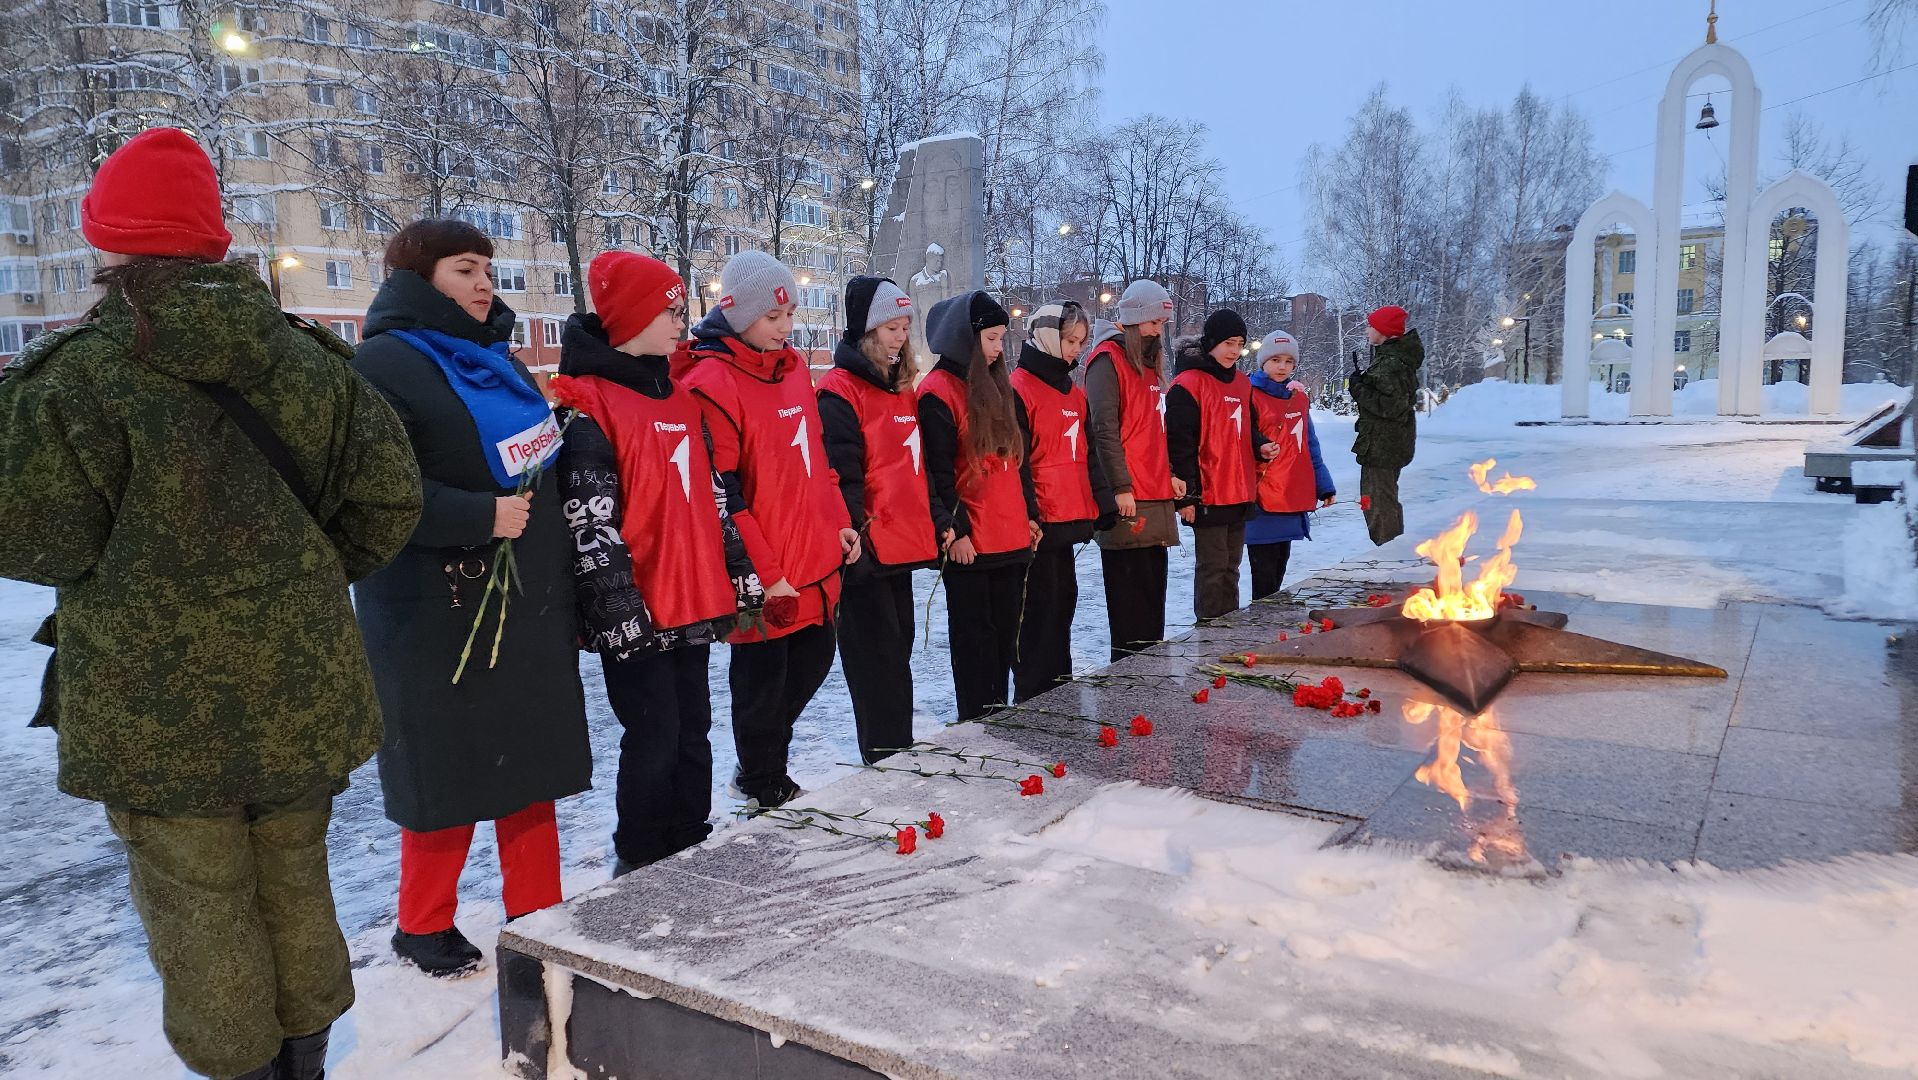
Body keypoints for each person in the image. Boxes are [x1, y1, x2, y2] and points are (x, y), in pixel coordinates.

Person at [0, 128, 421, 1080]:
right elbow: (390, 499)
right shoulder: (312, 361)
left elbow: (33, 537)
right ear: (212, 238)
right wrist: (297, 582)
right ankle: (306, 1058)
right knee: (295, 871)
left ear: (108, 242)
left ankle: (239, 1068)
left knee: (197, 902)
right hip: (299, 684)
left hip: (152, 708)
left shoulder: (75, 377)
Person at [352, 219, 591, 977]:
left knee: (531, 764)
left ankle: (539, 913)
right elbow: (370, 492)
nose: (486, 283)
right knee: (446, 770)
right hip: (434, 606)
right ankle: (422, 923)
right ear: (418, 279)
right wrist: (475, 516)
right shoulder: (381, 365)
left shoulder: (499, 359)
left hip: (525, 597)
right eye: (465, 269)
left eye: (488, 267)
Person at [551, 251, 764, 876]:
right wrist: (618, 612)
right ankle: (641, 854)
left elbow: (713, 498)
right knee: (653, 734)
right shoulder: (588, 404)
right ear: (630, 318)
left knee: (694, 729)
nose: (681, 323)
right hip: (637, 606)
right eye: (669, 312)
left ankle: (690, 835)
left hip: (692, 595)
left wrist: (738, 570)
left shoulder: (681, 399)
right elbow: (589, 522)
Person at [674, 251, 859, 809]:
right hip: (763, 566)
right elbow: (724, 494)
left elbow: (817, 458)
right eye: (773, 317)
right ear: (738, 315)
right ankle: (762, 779)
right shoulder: (711, 382)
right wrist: (763, 571)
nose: (786, 327)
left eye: (791, 314)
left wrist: (840, 522)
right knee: (763, 682)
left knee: (813, 661)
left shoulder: (794, 368)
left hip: (814, 550)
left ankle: (763, 763)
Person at [817, 276, 939, 762]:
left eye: (906, 327)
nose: (901, 337)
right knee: (875, 658)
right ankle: (884, 753)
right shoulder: (838, 392)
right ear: (867, 330)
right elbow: (842, 474)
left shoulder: (901, 388)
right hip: (865, 549)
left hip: (900, 543)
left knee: (898, 650)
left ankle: (897, 747)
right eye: (892, 328)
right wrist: (856, 543)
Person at [918, 290, 1041, 722]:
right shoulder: (937, 393)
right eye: (990, 339)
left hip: (1010, 536)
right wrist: (956, 530)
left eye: (1000, 339)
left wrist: (1029, 514)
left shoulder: (998, 387)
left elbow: (1017, 462)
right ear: (965, 339)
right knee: (975, 642)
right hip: (973, 543)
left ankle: (999, 717)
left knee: (1006, 637)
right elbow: (936, 472)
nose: (998, 349)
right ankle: (976, 722)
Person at [1009, 301, 1116, 700]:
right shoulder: (1019, 387)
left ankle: (1059, 687)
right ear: (1047, 337)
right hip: (1040, 521)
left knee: (1062, 604)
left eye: (1081, 342)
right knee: (1036, 613)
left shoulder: (1073, 391)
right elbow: (1017, 463)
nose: (1076, 349)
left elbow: (1089, 453)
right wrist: (1029, 514)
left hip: (1069, 515)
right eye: (1070, 340)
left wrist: (1103, 504)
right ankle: (1033, 694)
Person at [1084, 280, 1185, 660]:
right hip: (1130, 495)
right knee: (1130, 599)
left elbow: (1152, 428)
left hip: (1154, 491)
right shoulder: (1107, 361)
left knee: (1152, 594)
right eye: (1153, 322)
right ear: (1133, 319)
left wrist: (1168, 472)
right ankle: (1127, 673)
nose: (1158, 331)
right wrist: (1119, 486)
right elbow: (1103, 429)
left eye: (1162, 324)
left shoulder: (1148, 364)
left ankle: (1150, 670)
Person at [1166, 309, 1276, 621]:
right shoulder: (1188, 384)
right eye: (1228, 343)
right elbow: (1180, 444)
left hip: (1239, 490)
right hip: (1209, 493)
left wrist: (1260, 445)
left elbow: (1248, 428)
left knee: (1231, 567)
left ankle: (1230, 630)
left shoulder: (1242, 383)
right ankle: (1210, 631)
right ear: (1212, 342)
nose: (1235, 350)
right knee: (1212, 568)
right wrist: (1187, 497)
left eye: (1240, 344)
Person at [1245, 330, 1336, 599]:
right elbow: (1240, 440)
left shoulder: (1298, 398)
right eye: (1275, 360)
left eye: (1288, 361)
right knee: (1263, 571)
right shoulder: (1249, 395)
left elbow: (1310, 445)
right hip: (1261, 495)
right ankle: (1262, 618)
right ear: (1263, 362)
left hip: (1290, 493)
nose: (1282, 366)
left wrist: (1324, 486)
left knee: (1279, 565)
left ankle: (1271, 615)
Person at [1349, 305, 1422, 546]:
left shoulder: (1391, 363)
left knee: (1377, 503)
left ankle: (1388, 551)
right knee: (1380, 500)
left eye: (1370, 326)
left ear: (1383, 331)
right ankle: (1391, 548)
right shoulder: (1392, 359)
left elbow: (1391, 406)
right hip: (1384, 443)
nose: (1367, 331)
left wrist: (1358, 389)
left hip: (1383, 446)